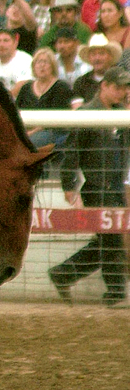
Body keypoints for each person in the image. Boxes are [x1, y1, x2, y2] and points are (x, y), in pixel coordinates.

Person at [49, 66, 130, 307]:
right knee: (111, 239)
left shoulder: (119, 113)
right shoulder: (87, 113)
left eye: (124, 88)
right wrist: (69, 184)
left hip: (112, 184)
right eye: (118, 87)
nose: (122, 92)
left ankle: (64, 274)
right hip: (98, 186)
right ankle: (114, 292)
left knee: (108, 239)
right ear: (104, 86)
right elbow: (72, 152)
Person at [16, 47, 73, 150]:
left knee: (30, 142)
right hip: (26, 132)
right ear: (33, 66)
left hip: (51, 132)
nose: (42, 66)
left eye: (45, 62)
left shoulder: (61, 87)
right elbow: (15, 112)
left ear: (52, 66)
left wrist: (30, 134)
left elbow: (55, 119)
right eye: (38, 62)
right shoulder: (26, 88)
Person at [72, 33, 121, 108]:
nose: (97, 58)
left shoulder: (120, 80)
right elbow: (77, 110)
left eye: (101, 53)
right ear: (89, 58)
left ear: (110, 56)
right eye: (93, 54)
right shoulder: (81, 82)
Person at [0, 27, 33, 98]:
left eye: (6, 40)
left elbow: (22, 86)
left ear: (15, 43)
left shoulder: (25, 60)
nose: (2, 45)